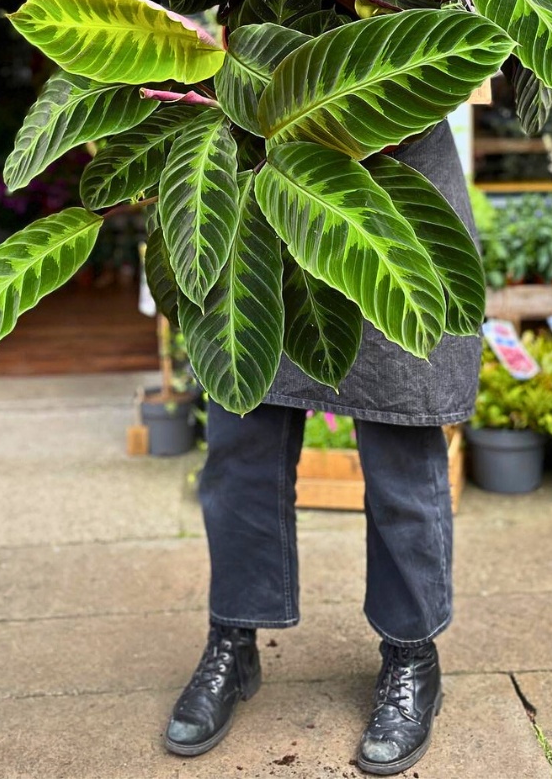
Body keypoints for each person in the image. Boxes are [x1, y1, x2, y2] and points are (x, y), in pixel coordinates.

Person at [163, 122, 480, 776]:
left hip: (393, 178)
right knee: (239, 443)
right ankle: (233, 641)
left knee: (401, 440)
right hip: (257, 172)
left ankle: (412, 654)